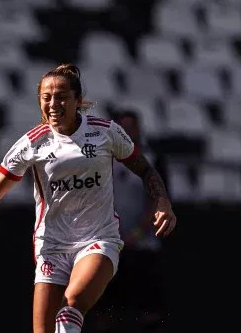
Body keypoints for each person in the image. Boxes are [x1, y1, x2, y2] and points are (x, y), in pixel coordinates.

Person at [0, 63, 177, 333]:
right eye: (46, 97)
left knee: (72, 303)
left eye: (61, 96)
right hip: (51, 247)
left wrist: (163, 201)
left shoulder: (105, 132)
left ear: (77, 100)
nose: (53, 103)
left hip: (98, 239)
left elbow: (146, 169)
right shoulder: (32, 142)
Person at [92, 109, 166, 332]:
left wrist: (136, 234)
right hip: (110, 247)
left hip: (141, 246)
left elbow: (157, 201)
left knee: (147, 308)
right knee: (107, 309)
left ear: (138, 130)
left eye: (130, 127)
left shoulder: (151, 162)